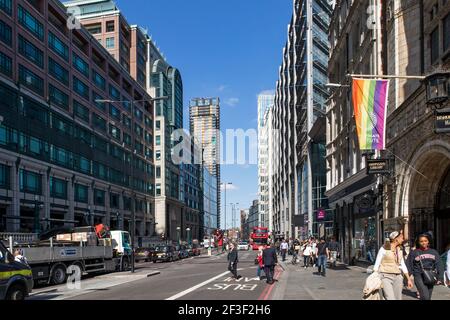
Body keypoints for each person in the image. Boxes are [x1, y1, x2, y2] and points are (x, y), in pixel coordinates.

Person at [373, 231, 413, 300]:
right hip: (385, 276)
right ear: (396, 239)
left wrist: (408, 279)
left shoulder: (400, 249)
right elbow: (377, 264)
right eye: (402, 238)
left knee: (398, 298)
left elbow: (402, 264)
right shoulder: (384, 248)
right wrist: (374, 277)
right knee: (390, 298)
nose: (403, 240)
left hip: (398, 277)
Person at [406, 234, 444, 300]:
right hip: (418, 276)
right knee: (425, 296)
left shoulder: (434, 252)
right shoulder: (414, 253)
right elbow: (409, 265)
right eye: (421, 241)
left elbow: (439, 264)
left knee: (428, 297)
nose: (423, 243)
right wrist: (408, 278)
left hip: (430, 276)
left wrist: (440, 278)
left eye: (425, 241)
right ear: (418, 242)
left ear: (428, 241)